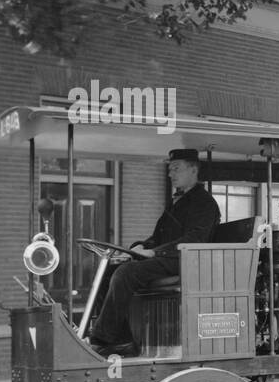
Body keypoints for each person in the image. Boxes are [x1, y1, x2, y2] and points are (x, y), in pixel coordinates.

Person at [90, 148, 220, 356]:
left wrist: (156, 253)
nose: (170, 174)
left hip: (186, 261)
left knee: (126, 273)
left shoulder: (204, 203)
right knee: (110, 269)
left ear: (193, 170)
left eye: (176, 169)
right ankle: (117, 338)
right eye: (170, 170)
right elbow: (158, 236)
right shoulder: (178, 201)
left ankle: (105, 337)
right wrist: (139, 247)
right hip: (169, 258)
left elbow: (195, 239)